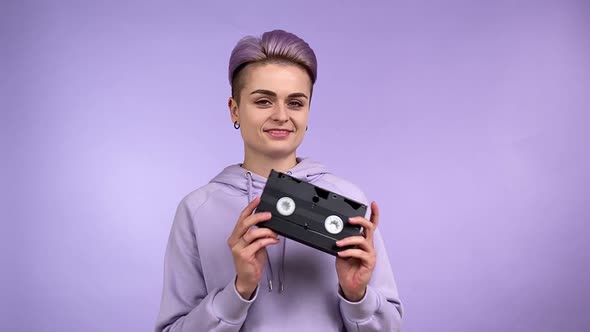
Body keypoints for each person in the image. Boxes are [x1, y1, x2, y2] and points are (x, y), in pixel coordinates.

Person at [154, 29, 403, 332]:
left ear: (308, 111)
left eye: (296, 103)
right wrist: (239, 290)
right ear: (235, 110)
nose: (282, 116)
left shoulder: (347, 198)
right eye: (263, 101)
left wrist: (357, 295)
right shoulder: (196, 209)